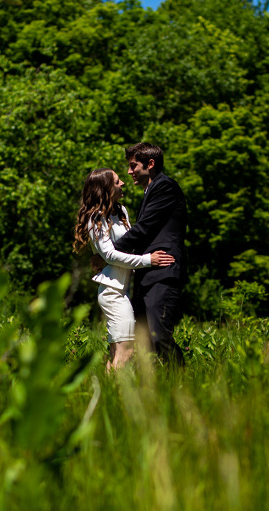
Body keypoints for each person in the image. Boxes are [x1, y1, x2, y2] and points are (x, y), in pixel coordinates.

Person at [73, 168, 175, 371]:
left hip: (125, 290)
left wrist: (104, 258)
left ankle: (109, 397)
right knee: (126, 351)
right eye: (117, 182)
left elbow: (126, 245)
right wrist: (148, 260)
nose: (123, 184)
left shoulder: (121, 211)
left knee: (117, 353)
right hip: (113, 293)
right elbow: (109, 254)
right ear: (105, 189)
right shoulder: (95, 218)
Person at [111, 143, 187, 366]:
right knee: (144, 340)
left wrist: (109, 253)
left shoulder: (165, 187)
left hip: (164, 270)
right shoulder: (149, 192)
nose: (129, 171)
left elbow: (143, 228)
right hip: (147, 273)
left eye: (133, 165)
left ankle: (182, 381)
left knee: (158, 334)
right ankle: (154, 390)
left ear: (150, 164)